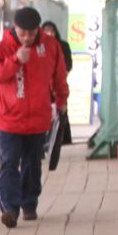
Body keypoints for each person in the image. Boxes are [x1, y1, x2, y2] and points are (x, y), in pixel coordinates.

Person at [0, 5, 68, 227]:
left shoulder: (50, 46)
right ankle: (10, 209)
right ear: (15, 28)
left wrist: (61, 102)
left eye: (32, 34)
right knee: (10, 162)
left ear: (38, 30)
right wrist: (15, 60)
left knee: (33, 163)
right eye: (23, 33)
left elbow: (59, 76)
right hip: (10, 119)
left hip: (39, 119)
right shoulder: (3, 48)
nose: (27, 38)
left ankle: (29, 203)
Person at [41, 19, 73, 172]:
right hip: (43, 88)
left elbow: (67, 66)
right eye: (46, 31)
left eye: (51, 31)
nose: (49, 34)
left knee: (59, 115)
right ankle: (45, 143)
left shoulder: (62, 46)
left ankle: (56, 141)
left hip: (57, 86)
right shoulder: (39, 47)